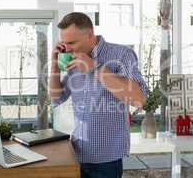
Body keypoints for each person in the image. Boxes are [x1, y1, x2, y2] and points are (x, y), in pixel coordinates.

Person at [49, 12, 147, 178]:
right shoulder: (72, 59)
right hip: (77, 151)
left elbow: (139, 99)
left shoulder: (122, 55)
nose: (68, 48)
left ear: (89, 34)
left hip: (106, 158)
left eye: (72, 42)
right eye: (65, 43)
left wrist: (94, 67)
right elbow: (56, 98)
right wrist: (54, 65)